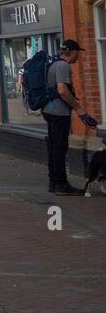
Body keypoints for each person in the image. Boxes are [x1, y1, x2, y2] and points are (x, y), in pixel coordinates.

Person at [43, 40, 99, 196]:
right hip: (59, 113)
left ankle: (54, 182)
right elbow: (62, 90)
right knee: (60, 148)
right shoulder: (63, 66)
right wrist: (79, 109)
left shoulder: (53, 63)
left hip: (50, 110)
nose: (78, 56)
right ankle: (61, 185)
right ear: (71, 52)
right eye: (77, 53)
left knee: (54, 148)